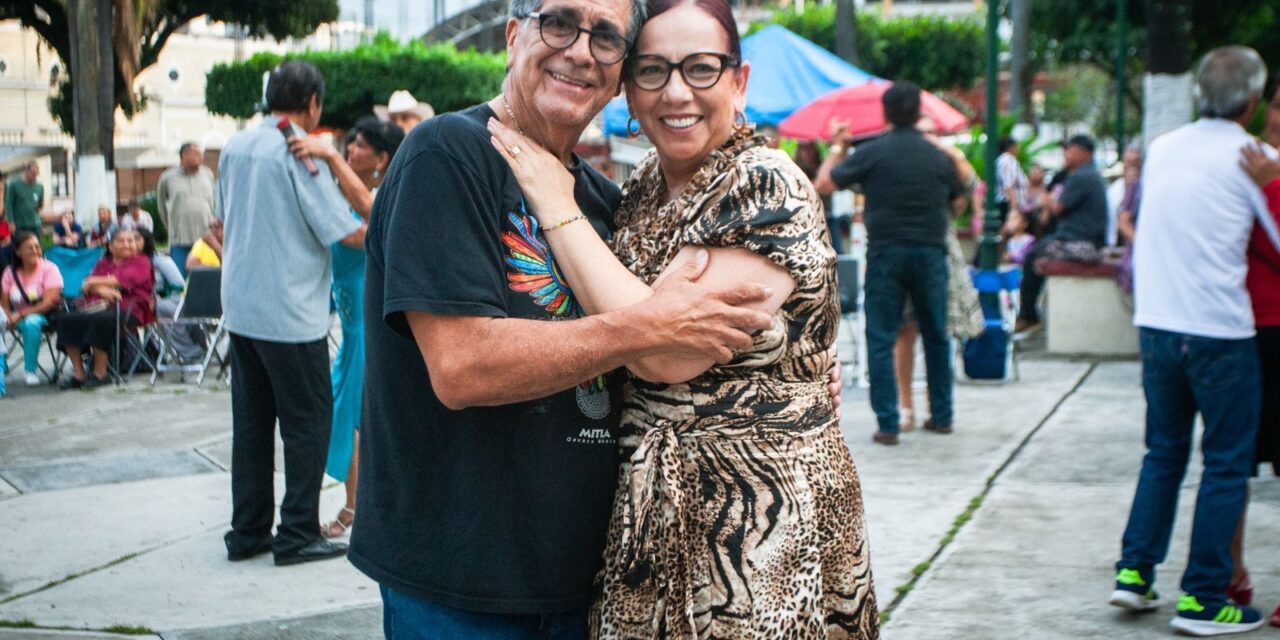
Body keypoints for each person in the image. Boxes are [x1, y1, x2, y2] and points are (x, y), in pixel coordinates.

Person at [348, 0, 785, 633]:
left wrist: (794, 374)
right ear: (511, 36)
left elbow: (673, 364)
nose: (581, 50)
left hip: (590, 585)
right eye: (559, 22)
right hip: (460, 582)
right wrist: (646, 326)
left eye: (606, 37)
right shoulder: (447, 155)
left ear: (618, 75)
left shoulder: (608, 203)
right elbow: (463, 366)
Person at [488, 0, 878, 634]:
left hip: (757, 520)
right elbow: (638, 319)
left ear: (739, 81)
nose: (677, 93)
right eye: (652, 71)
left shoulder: (763, 183)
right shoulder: (640, 188)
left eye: (701, 69)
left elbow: (664, 354)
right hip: (650, 509)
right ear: (629, 94)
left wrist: (557, 203)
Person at [1109, 46, 1273, 636]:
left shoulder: (1162, 148)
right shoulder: (1256, 159)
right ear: (1252, 103)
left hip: (1157, 323)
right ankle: (1204, 597)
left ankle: (1135, 572)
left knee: (1164, 452)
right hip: (1220, 331)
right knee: (1227, 464)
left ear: (1200, 95)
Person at [217, 60, 364, 567]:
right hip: (290, 309)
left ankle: (248, 530)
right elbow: (344, 231)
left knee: (252, 424)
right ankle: (298, 531)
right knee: (308, 422)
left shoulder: (235, 145)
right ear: (313, 104)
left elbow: (219, 221)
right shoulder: (300, 151)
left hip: (241, 306)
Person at [814, 81, 965, 446]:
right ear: (918, 113)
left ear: (885, 113)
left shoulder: (874, 152)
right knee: (936, 336)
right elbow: (959, 204)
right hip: (930, 253)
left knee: (881, 338)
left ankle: (888, 422)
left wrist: (839, 147)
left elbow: (822, 184)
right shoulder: (937, 157)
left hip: (885, 254)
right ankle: (941, 416)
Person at [286, 115, 404, 538]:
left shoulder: (383, 194)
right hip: (354, 328)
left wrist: (332, 157)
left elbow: (369, 222)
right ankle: (360, 505)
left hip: (367, 330)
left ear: (380, 158)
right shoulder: (341, 195)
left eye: (358, 145)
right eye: (348, 144)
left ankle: (354, 509)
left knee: (353, 418)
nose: (350, 149)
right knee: (346, 416)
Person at [1228, 117, 1280, 630]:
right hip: (1240, 329)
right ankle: (1232, 572)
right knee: (1233, 462)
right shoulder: (1246, 162)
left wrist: (1271, 187)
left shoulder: (1265, 175)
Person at [1014, 134, 1108, 332]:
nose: (1066, 154)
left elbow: (1058, 208)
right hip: (1081, 239)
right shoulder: (1086, 174)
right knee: (1036, 250)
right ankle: (1030, 314)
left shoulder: (1082, 176)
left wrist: (1040, 193)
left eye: (1070, 149)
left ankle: (1028, 316)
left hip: (1083, 243)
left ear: (1084, 153)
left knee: (1032, 256)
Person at [56, 229, 154, 389]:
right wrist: (100, 290)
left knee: (101, 319)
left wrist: (92, 282)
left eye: (131, 241)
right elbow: (85, 288)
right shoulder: (104, 263)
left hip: (130, 309)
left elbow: (119, 281)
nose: (128, 244)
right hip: (96, 306)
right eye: (122, 241)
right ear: (110, 245)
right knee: (66, 319)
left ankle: (100, 373)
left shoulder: (141, 261)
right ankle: (79, 373)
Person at [0, 230, 63, 387]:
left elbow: (49, 302)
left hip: (45, 315)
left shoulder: (50, 268)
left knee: (31, 323)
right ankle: (2, 365)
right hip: (16, 316)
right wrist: (7, 316)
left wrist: (20, 314)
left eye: (37, 246)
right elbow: (4, 301)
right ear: (18, 252)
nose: (35, 250)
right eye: (30, 247)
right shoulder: (9, 272)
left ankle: (30, 370)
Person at [157, 142, 215, 275]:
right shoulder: (167, 177)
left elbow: (213, 204)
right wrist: (173, 228)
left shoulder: (207, 174)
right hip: (180, 240)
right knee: (180, 279)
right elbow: (161, 207)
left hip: (205, 240)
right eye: (198, 154)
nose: (202, 157)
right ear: (184, 155)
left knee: (204, 279)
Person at [995, 136, 1028, 230]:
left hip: (1007, 202)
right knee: (1007, 229)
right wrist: (1014, 208)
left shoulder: (1002, 160)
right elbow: (1009, 184)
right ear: (1011, 147)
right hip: (1008, 203)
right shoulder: (1007, 160)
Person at [4, 162, 43, 234]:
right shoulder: (14, 184)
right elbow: (8, 204)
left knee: (38, 244)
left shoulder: (40, 187)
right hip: (19, 225)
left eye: (36, 174)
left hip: (35, 225)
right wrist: (10, 222)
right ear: (26, 171)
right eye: (33, 174)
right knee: (21, 245)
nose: (35, 177)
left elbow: (40, 204)